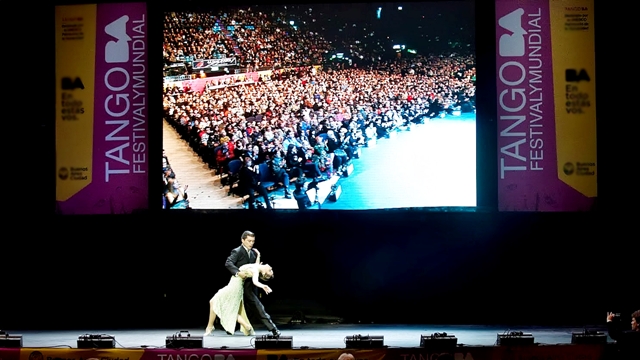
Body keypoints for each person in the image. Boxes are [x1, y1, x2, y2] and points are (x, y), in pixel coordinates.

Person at [203, 250, 274, 336]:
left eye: (270, 271)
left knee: (215, 302)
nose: (271, 268)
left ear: (263, 273)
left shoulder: (255, 271)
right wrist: (258, 255)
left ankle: (210, 327)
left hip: (234, 288)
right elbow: (257, 265)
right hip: (232, 285)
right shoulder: (257, 267)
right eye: (271, 270)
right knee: (227, 308)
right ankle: (246, 326)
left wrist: (263, 286)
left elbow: (255, 281)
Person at [225, 231, 281, 336]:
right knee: (234, 307)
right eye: (249, 241)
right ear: (243, 240)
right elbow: (228, 263)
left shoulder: (253, 253)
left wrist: (258, 258)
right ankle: (230, 327)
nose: (251, 243)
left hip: (249, 287)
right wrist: (238, 272)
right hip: (238, 285)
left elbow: (255, 267)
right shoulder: (237, 251)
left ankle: (273, 329)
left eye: (253, 241)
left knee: (257, 307)